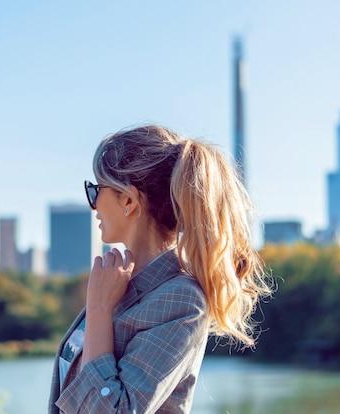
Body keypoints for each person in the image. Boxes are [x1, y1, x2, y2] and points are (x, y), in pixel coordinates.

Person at [48, 124, 272, 413]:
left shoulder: (181, 300)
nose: (93, 205)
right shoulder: (117, 284)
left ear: (128, 200)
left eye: (96, 189)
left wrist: (100, 311)